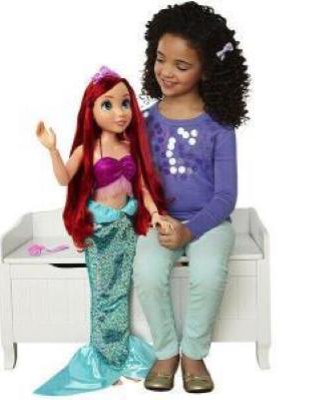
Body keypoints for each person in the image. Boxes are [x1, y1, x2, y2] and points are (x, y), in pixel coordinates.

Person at [33, 66, 173, 396]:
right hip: (100, 231)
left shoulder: (129, 146)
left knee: (121, 292)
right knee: (103, 295)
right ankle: (105, 357)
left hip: (126, 227)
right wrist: (52, 149)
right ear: (91, 109)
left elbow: (142, 186)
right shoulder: (88, 149)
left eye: (125, 103)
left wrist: (154, 213)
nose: (120, 112)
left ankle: (120, 354)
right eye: (108, 104)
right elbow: (64, 180)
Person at [133, 1, 250, 393]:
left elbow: (226, 195)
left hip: (210, 222)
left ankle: (194, 354)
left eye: (181, 66)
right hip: (159, 221)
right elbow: (139, 182)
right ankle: (166, 350)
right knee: (147, 273)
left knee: (208, 273)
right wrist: (158, 219)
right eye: (160, 59)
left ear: (207, 70)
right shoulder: (144, 122)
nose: (166, 71)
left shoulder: (219, 126)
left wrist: (189, 230)